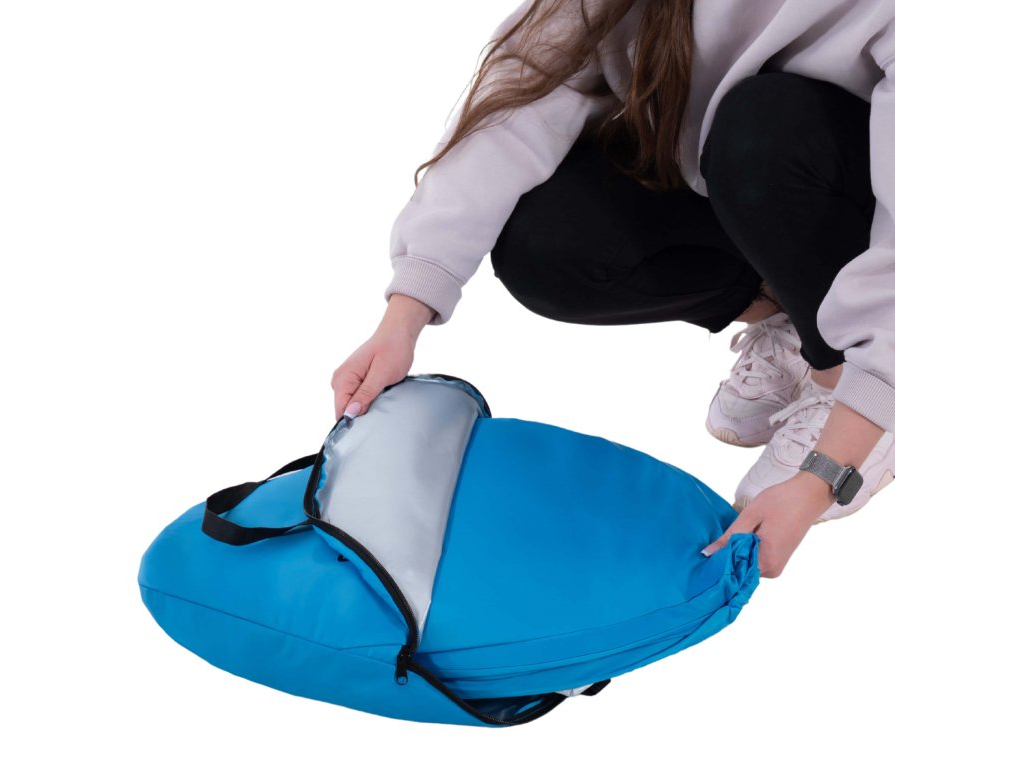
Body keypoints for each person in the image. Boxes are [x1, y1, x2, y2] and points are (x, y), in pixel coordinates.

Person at [331, 0, 895, 579]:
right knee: (547, 240)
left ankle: (853, 379)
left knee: (762, 123)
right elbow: (524, 91)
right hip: (744, 179)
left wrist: (829, 469)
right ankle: (801, 320)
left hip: (879, 217)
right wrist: (405, 314)